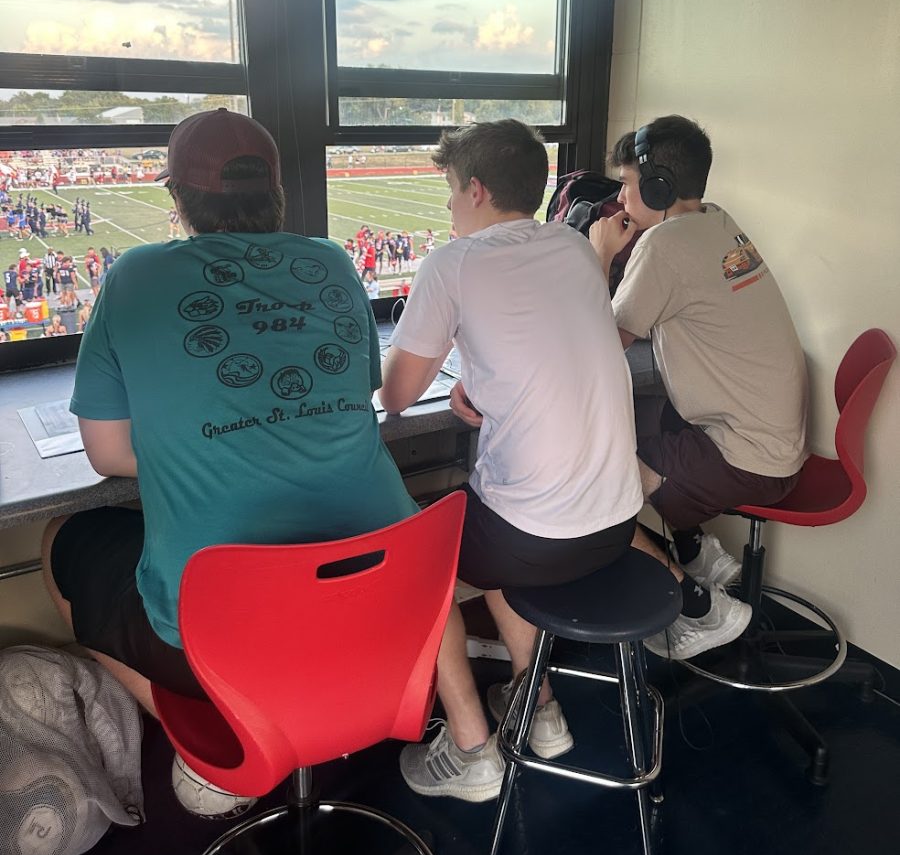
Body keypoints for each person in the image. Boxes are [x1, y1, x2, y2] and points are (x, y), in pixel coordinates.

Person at [41, 108, 417, 809]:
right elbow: (349, 392)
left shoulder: (134, 274)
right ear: (275, 191)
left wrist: (200, 442)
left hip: (231, 635)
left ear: (180, 200)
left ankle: (225, 743)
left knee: (63, 540)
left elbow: (107, 454)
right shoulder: (333, 259)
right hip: (385, 610)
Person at [380, 119, 643, 803]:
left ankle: (472, 746)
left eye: (448, 192)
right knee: (492, 521)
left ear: (475, 189)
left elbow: (399, 397)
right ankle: (541, 708)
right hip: (617, 526)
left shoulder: (452, 263)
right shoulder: (573, 246)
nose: (446, 208)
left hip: (536, 541)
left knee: (425, 545)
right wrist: (480, 379)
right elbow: (552, 339)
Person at [589, 116, 808, 661]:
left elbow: (596, 343)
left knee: (593, 465)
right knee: (643, 409)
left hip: (750, 460)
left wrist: (600, 254)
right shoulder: (717, 222)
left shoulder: (664, 244)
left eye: (626, 185)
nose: (620, 198)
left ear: (657, 187)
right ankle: (692, 547)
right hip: (773, 438)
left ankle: (698, 609)